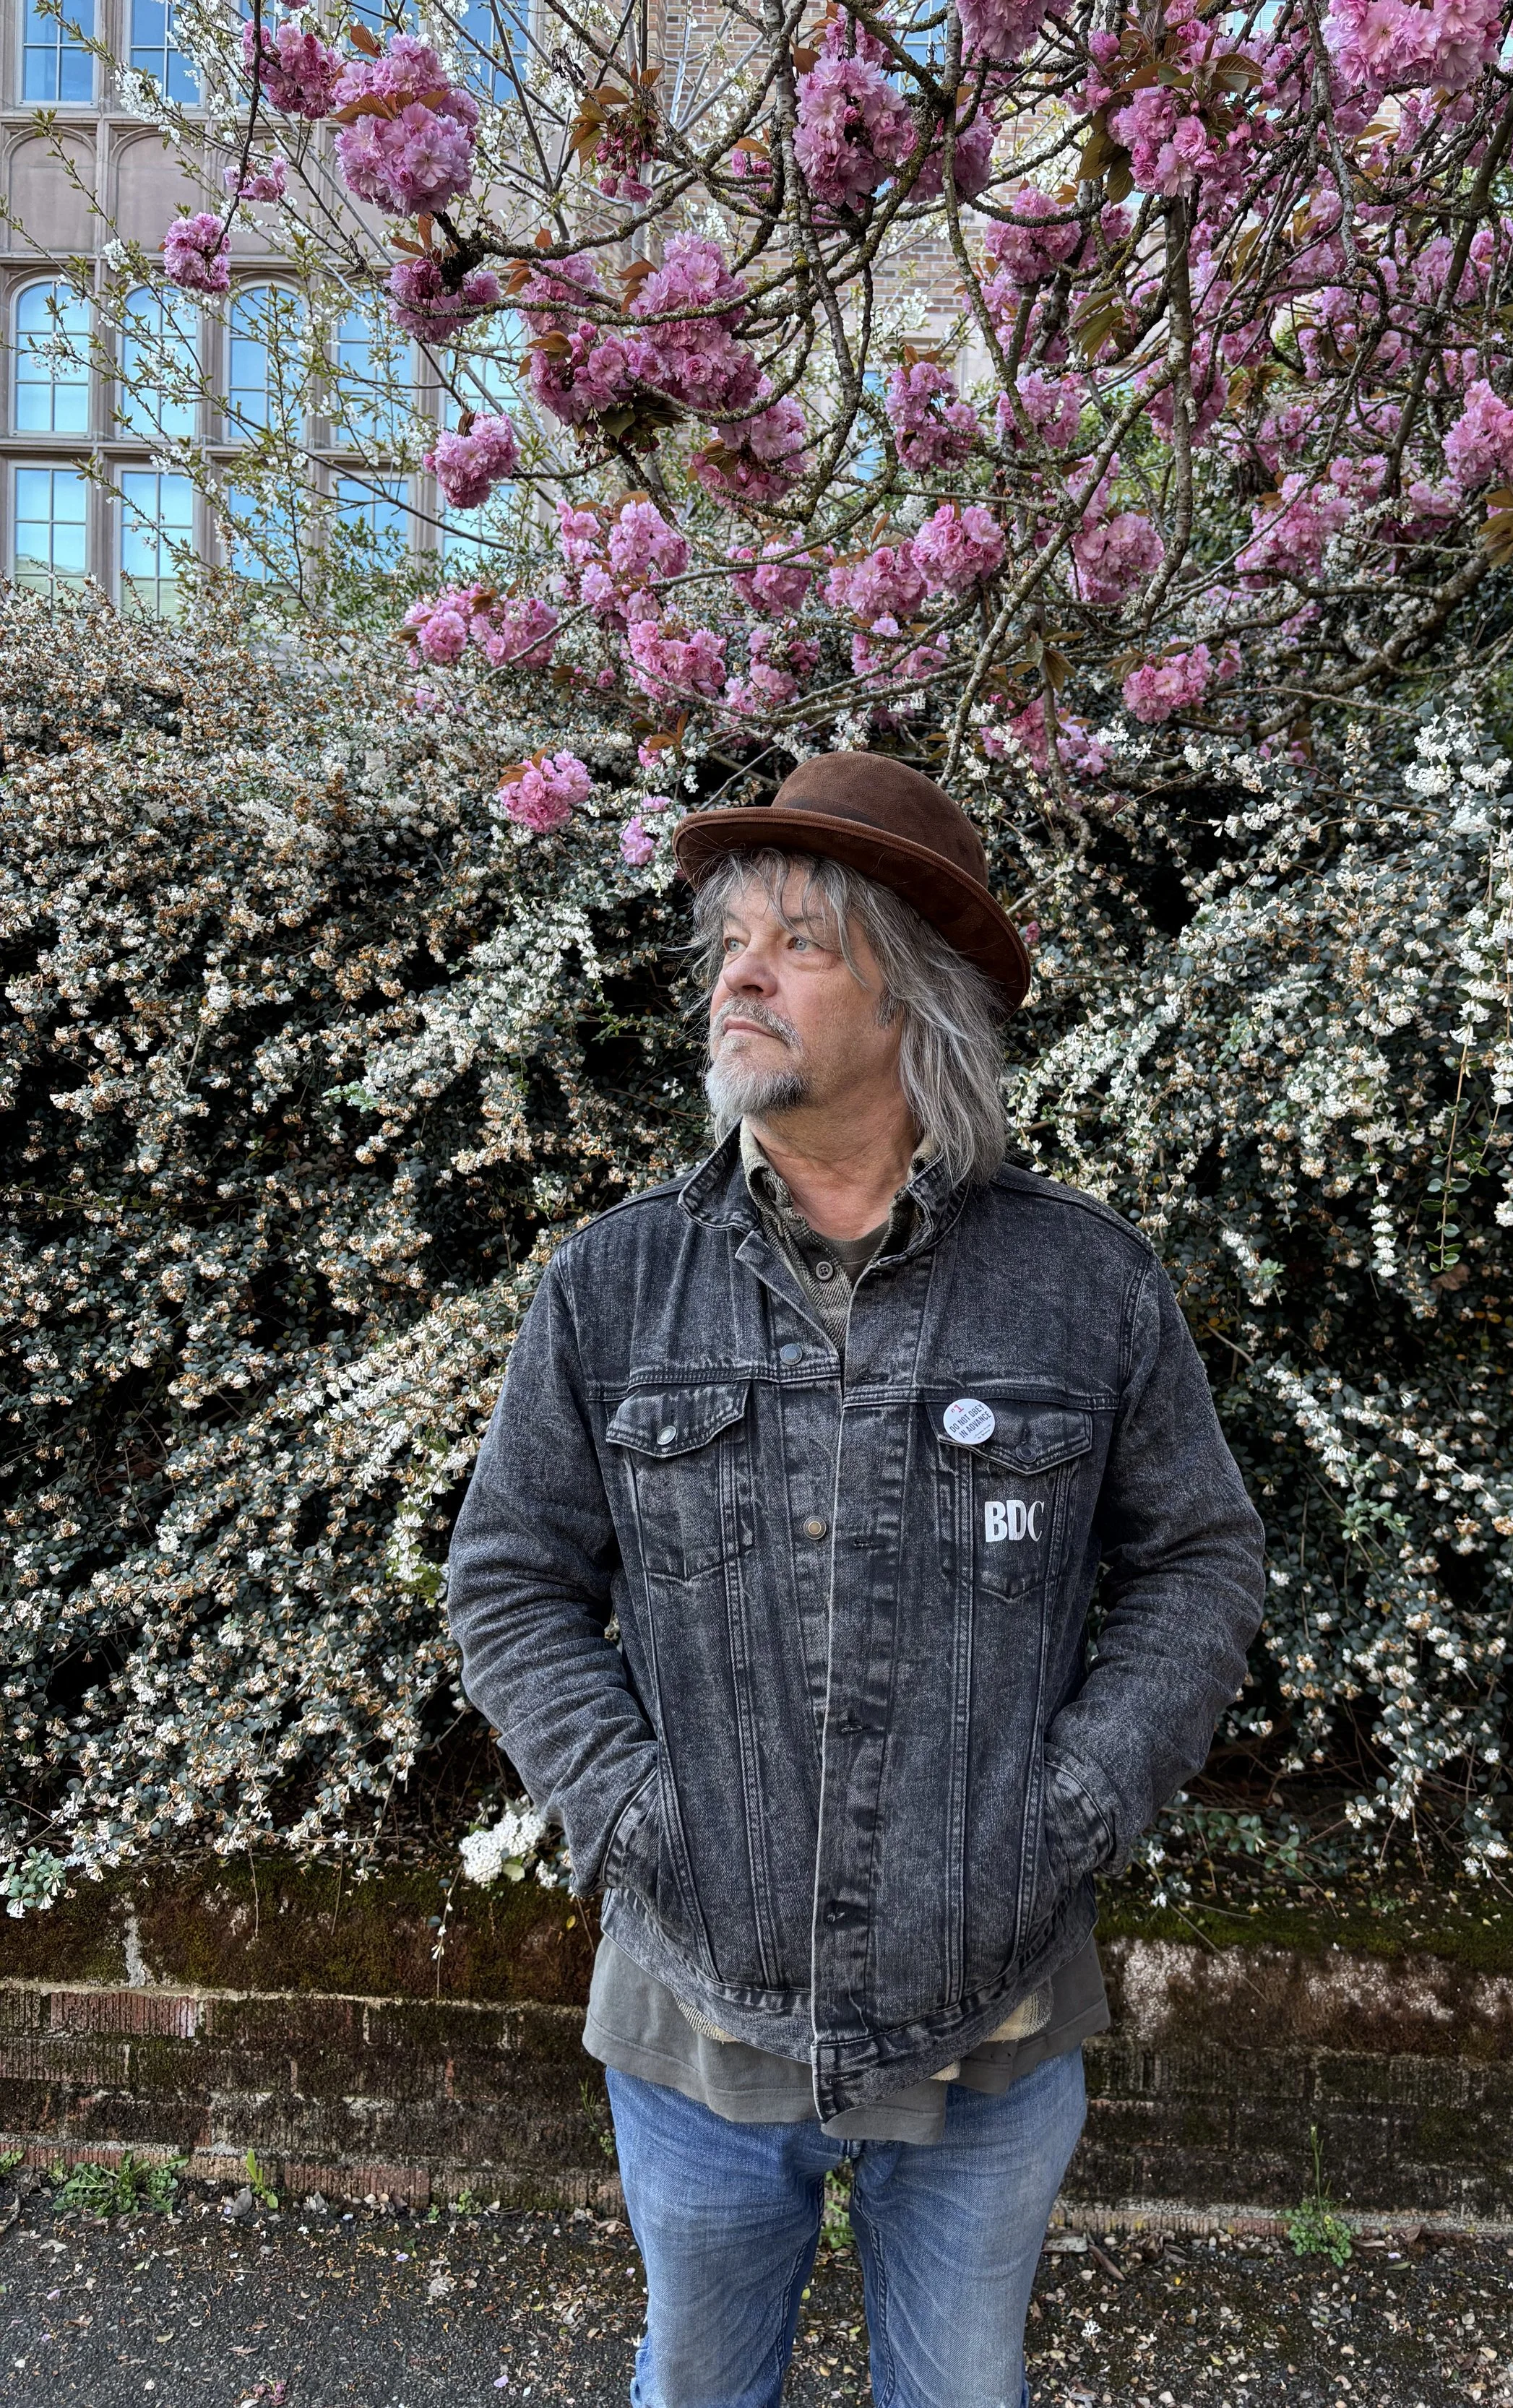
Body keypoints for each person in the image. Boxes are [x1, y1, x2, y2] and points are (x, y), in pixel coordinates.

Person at [445, 752, 1265, 2408]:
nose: (739, 971)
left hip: (993, 2021)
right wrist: (629, 1814)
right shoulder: (615, 1287)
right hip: (695, 2021)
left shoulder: (1078, 1284)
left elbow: (1196, 1559)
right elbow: (509, 1576)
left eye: (799, 940)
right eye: (730, 938)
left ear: (915, 1002)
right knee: (697, 2389)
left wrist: (1074, 1805)